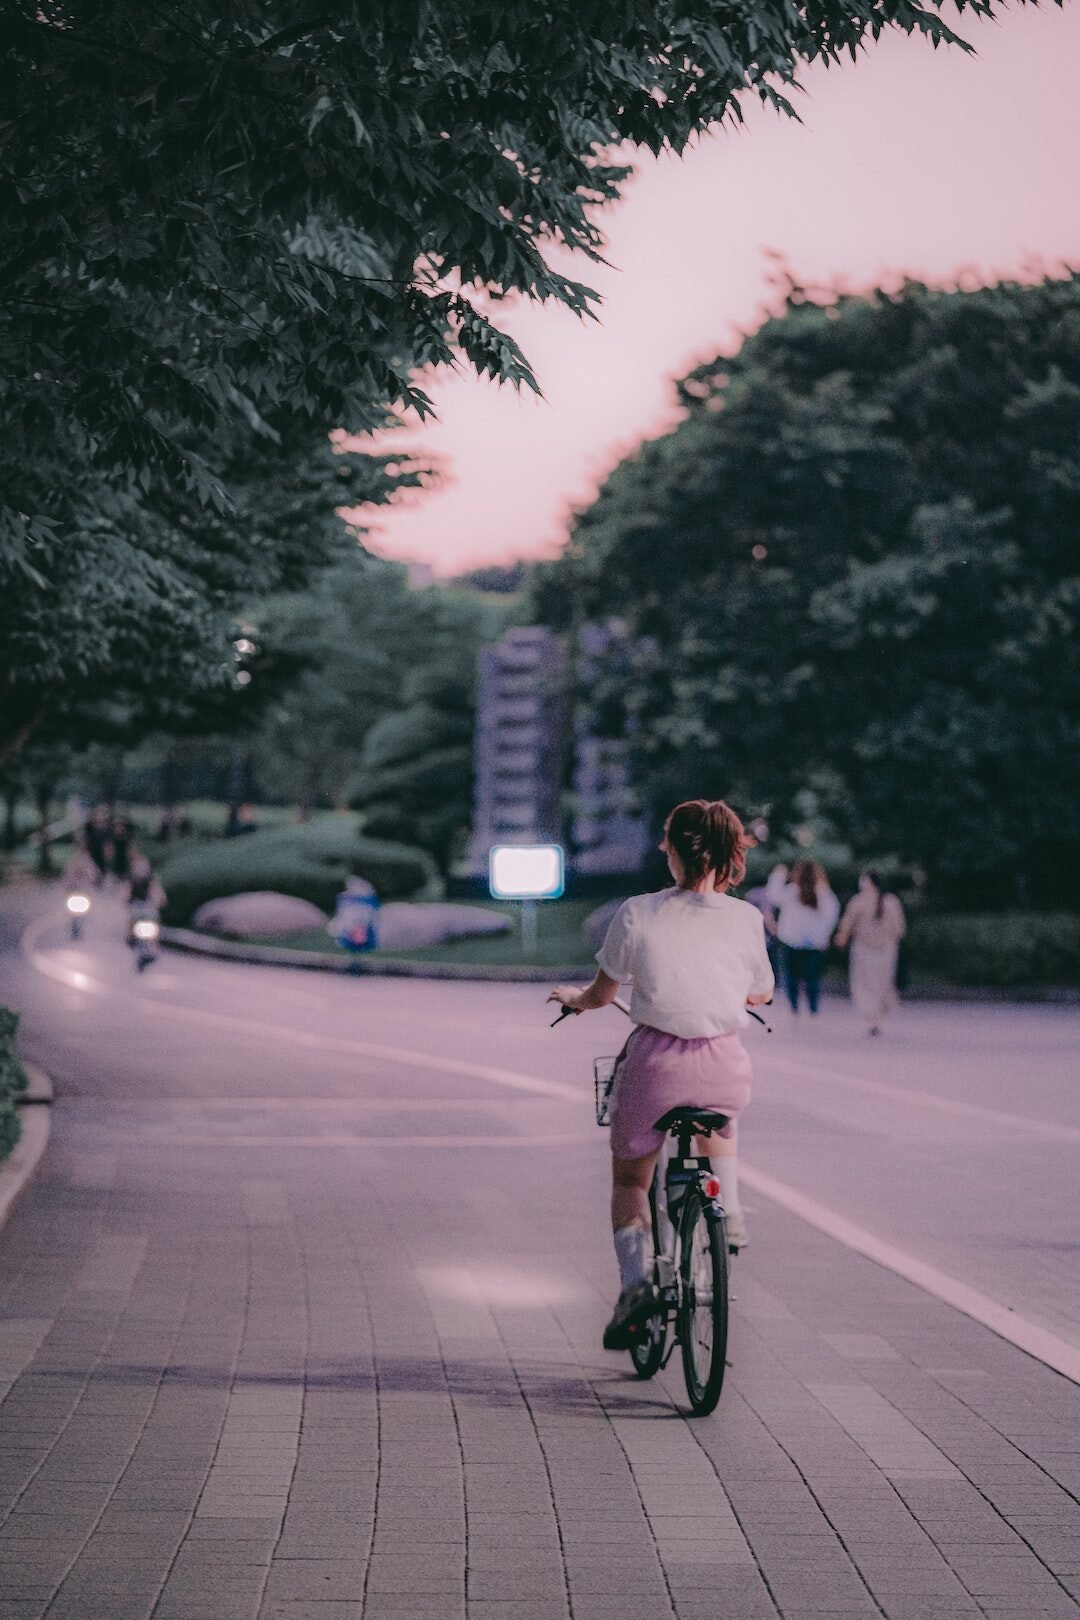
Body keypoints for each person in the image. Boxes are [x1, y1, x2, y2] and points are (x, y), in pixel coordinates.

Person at [548, 799, 774, 1351]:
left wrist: (574, 1000)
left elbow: (603, 994)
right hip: (723, 1065)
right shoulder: (746, 918)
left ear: (673, 850)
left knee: (631, 1180)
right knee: (719, 1124)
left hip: (656, 1067)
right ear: (729, 854)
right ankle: (732, 1212)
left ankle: (636, 1285)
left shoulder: (638, 912)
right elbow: (761, 992)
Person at [834, 870, 907, 1036]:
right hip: (887, 951)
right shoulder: (892, 902)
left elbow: (847, 925)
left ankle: (872, 1018)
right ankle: (877, 1017)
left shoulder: (858, 901)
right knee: (882, 984)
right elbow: (900, 929)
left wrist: (841, 939)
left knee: (865, 985)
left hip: (863, 949)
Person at [775, 858, 839, 1015]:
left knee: (791, 978)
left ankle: (794, 1009)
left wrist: (778, 875)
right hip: (815, 944)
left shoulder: (791, 891)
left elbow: (774, 896)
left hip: (791, 941)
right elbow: (831, 916)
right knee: (813, 979)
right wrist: (824, 936)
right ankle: (813, 1010)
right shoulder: (824, 894)